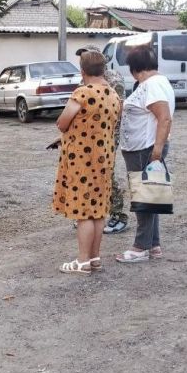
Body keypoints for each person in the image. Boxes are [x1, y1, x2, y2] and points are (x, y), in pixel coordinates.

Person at [52, 50, 122, 275]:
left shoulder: (82, 93)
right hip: (104, 160)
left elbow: (62, 123)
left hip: (81, 162)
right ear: (103, 69)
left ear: (82, 71)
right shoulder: (113, 95)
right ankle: (94, 258)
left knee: (83, 212)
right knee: (98, 211)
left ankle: (82, 262)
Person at [115, 45, 175, 263]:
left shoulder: (151, 85)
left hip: (145, 149)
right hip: (144, 148)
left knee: (144, 197)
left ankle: (140, 247)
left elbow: (164, 118)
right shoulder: (157, 82)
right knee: (152, 196)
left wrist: (156, 152)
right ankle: (154, 244)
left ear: (135, 69)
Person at [74, 46, 128, 234]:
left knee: (106, 174)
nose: (82, 60)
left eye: (85, 57)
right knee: (87, 174)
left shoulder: (113, 79)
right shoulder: (84, 80)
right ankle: (89, 212)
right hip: (87, 137)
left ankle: (118, 215)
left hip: (107, 135)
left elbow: (118, 110)